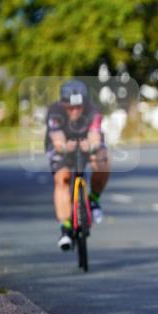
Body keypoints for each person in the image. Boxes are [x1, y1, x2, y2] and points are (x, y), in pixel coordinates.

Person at [46, 80, 110, 250]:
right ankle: (65, 227)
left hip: (86, 142)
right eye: (70, 108)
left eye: (79, 107)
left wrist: (92, 147)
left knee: (103, 159)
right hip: (63, 145)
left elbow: (95, 136)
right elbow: (58, 141)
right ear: (63, 104)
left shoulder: (93, 111)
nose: (74, 111)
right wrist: (65, 147)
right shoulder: (54, 112)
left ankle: (93, 199)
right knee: (63, 178)